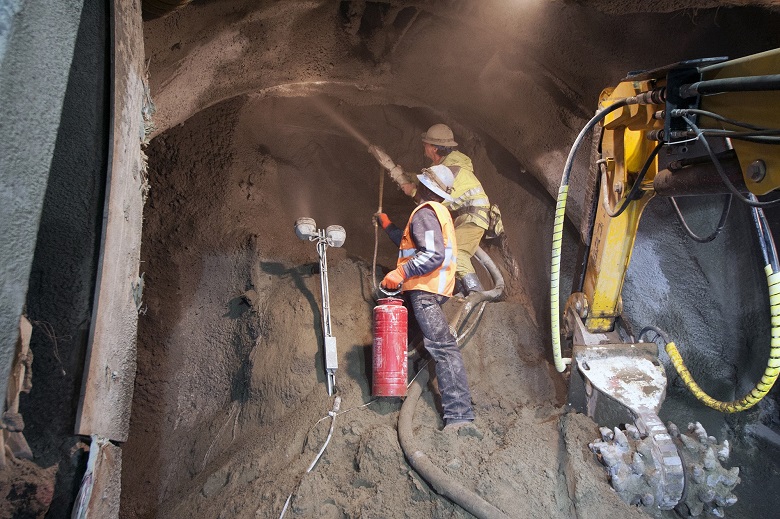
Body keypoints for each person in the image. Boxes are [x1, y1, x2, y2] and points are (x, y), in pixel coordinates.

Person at [376, 164, 475, 430]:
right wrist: (388, 226)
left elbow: (432, 255)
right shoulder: (438, 214)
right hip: (428, 290)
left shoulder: (424, 213)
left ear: (423, 187)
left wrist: (400, 273)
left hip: (424, 292)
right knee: (405, 341)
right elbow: (415, 245)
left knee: (443, 348)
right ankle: (392, 392)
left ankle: (459, 416)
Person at [369, 124, 492, 295]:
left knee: (457, 255)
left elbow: (435, 199)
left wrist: (412, 191)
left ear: (434, 148)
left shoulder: (452, 169)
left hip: (473, 218)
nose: (423, 146)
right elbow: (428, 181)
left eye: (426, 143)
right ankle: (460, 293)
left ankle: (477, 295)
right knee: (448, 254)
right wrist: (401, 174)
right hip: (465, 218)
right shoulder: (445, 165)